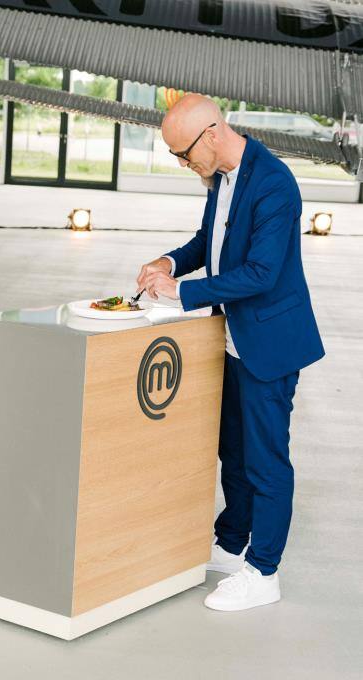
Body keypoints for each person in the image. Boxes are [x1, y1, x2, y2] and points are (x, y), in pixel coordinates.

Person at [137, 94, 324, 611]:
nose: (183, 164)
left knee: (266, 461)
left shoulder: (274, 183)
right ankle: (232, 542)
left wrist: (182, 293)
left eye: (183, 154)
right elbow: (209, 241)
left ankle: (264, 571)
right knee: (233, 452)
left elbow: (261, 273)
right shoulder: (220, 177)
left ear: (212, 133)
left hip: (269, 345)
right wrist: (170, 262)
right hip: (233, 340)